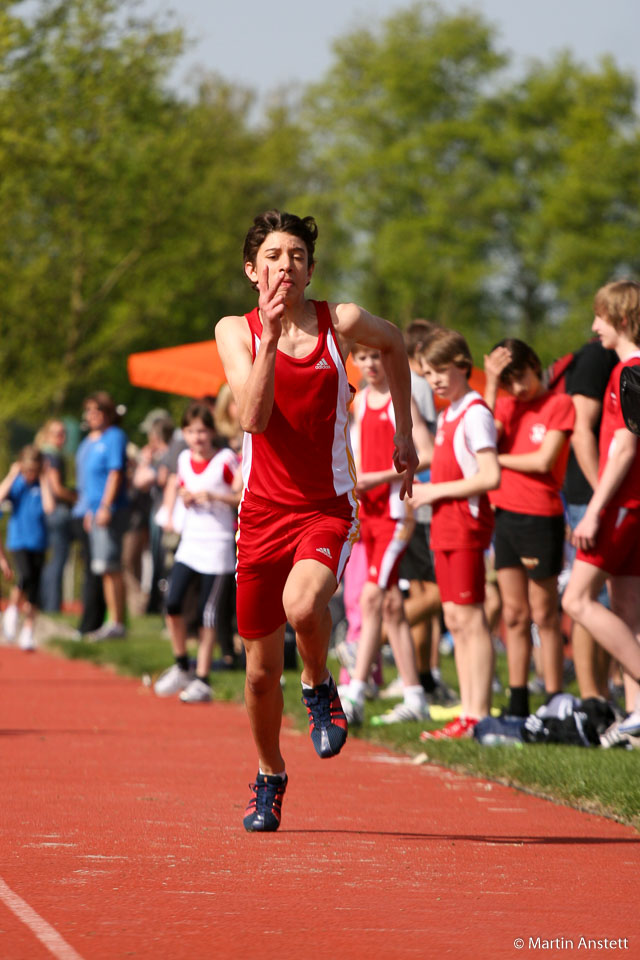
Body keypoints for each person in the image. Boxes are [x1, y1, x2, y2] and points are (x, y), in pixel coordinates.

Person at [215, 209, 418, 832]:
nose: (286, 265)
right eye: (273, 256)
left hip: (327, 504)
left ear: (310, 269)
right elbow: (251, 418)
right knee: (255, 674)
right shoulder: (235, 331)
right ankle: (270, 772)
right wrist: (271, 338)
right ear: (253, 271)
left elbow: (395, 345)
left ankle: (319, 682)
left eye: (297, 256)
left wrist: (406, 432)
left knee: (305, 607)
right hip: (262, 515)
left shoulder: (342, 322)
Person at [409, 328, 500, 740]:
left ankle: (478, 714)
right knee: (454, 619)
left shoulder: (475, 411)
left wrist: (434, 490)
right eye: (429, 374)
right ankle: (468, 710)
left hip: (465, 523)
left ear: (463, 365)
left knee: (470, 618)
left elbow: (490, 475)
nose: (436, 381)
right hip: (444, 525)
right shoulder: (448, 414)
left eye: (443, 371)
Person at [562, 280, 640, 741]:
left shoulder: (630, 370)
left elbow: (624, 448)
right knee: (628, 610)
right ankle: (634, 714)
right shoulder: (623, 368)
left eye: (601, 318)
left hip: (621, 503)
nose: (594, 327)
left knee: (575, 599)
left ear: (622, 320)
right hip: (629, 503)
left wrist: (594, 509)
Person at [338, 343, 432, 726]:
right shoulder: (358, 402)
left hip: (395, 513)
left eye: (377, 357)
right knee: (391, 606)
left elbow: (427, 452)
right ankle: (414, 696)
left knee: (372, 597)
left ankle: (356, 691)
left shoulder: (400, 400)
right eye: (363, 358)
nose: (371, 365)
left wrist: (380, 476)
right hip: (368, 515)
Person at [484, 339, 575, 718]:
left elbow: (543, 460)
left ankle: (555, 697)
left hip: (541, 516)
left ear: (534, 366)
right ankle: (518, 697)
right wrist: (490, 385)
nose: (518, 388)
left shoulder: (559, 404)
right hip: (505, 516)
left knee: (544, 614)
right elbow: (480, 439)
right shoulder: (504, 403)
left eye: (521, 377)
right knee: (515, 614)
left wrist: (496, 461)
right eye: (509, 381)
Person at [153, 402, 240, 703]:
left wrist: (213, 495)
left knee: (208, 615)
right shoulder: (183, 459)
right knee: (172, 604)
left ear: (212, 432)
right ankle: (181, 665)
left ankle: (202, 677)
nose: (197, 437)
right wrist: (183, 499)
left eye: (202, 431)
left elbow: (243, 494)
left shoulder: (226, 459)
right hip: (190, 544)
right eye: (190, 431)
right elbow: (180, 486)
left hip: (217, 547)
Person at [559, 338, 618, 701]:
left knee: (617, 603)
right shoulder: (598, 355)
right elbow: (580, 429)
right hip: (592, 494)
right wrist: (601, 495)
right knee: (588, 598)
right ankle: (592, 697)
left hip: (612, 495)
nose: (595, 325)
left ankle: (611, 694)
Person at [82, 392, 129, 640]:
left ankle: (117, 622)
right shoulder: (92, 440)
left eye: (96, 411)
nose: (91, 416)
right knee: (103, 567)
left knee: (110, 566)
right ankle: (113, 621)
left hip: (109, 511)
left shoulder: (114, 437)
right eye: (88, 411)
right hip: (95, 510)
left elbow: (114, 473)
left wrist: (105, 507)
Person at [0, 446, 55, 650]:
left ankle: (28, 631)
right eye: (27, 470)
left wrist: (43, 478)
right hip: (19, 540)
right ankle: (13, 610)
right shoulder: (18, 484)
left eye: (34, 470)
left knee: (35, 589)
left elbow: (50, 507)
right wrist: (13, 474)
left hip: (39, 542)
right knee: (24, 576)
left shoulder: (42, 485)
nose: (30, 475)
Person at [36, 419, 76, 612]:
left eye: (63, 433)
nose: (61, 437)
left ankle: (45, 603)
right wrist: (76, 497)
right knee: (58, 560)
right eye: (57, 433)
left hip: (45, 512)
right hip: (57, 512)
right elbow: (57, 489)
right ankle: (51, 606)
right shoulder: (52, 456)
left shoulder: (43, 454)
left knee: (50, 560)